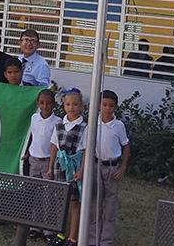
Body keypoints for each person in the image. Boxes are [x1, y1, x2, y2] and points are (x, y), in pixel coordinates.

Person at [88, 90, 130, 246]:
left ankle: (106, 240)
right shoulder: (93, 123)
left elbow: (126, 146)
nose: (107, 108)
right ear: (99, 105)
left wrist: (123, 167)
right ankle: (93, 239)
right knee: (95, 203)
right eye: (104, 105)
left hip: (112, 168)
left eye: (111, 106)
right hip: (96, 165)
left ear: (115, 107)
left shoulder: (118, 126)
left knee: (110, 205)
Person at [48, 88, 87, 246]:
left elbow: (85, 151)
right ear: (64, 106)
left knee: (74, 202)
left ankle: (72, 237)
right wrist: (50, 167)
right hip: (60, 165)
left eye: (75, 104)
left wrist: (81, 170)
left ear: (81, 106)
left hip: (74, 166)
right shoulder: (59, 125)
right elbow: (54, 146)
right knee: (61, 201)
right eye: (68, 104)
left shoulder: (84, 126)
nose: (71, 107)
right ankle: (60, 233)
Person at [23, 89, 61, 240]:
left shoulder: (57, 122)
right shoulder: (34, 118)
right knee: (35, 193)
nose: (45, 106)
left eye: (48, 103)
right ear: (38, 103)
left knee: (49, 195)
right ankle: (35, 226)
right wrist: (26, 153)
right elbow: (31, 137)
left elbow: (55, 144)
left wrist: (51, 165)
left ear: (53, 104)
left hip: (47, 161)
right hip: (34, 160)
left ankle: (48, 229)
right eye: (42, 103)